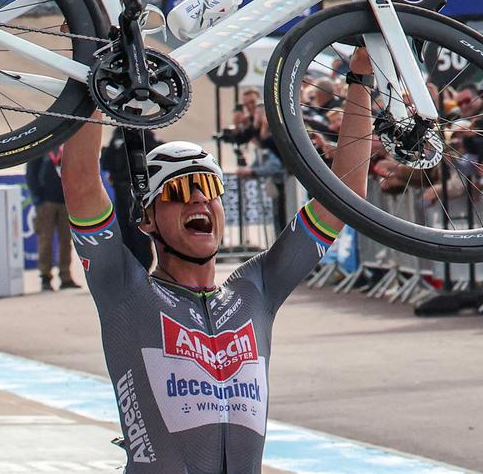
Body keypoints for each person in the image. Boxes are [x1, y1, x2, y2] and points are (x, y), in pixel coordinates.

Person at [60, 49, 375, 472]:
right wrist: (91, 69)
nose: (197, 199)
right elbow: (81, 185)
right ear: (147, 221)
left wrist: (361, 81)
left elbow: (344, 197)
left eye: (208, 187)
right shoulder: (125, 291)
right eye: (177, 192)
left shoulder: (255, 288)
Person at [26, 146, 79, 292]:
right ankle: (45, 276)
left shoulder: (66, 146)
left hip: (65, 201)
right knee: (45, 240)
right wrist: (38, 200)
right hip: (46, 202)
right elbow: (31, 174)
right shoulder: (40, 148)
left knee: (66, 240)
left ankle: (65, 276)